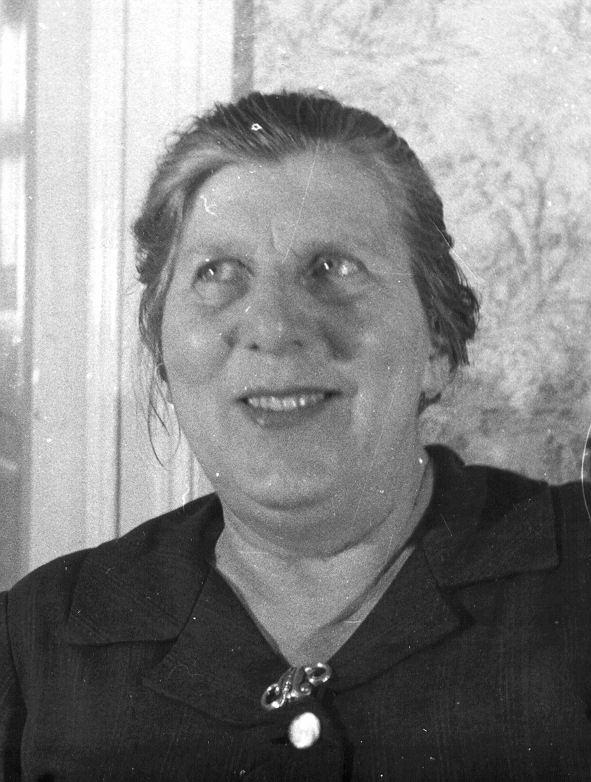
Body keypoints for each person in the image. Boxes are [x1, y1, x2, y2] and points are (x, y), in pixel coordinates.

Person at [1, 91, 590, 781]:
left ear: (436, 340)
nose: (274, 327)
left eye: (333, 269)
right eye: (217, 274)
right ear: (163, 351)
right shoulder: (36, 642)